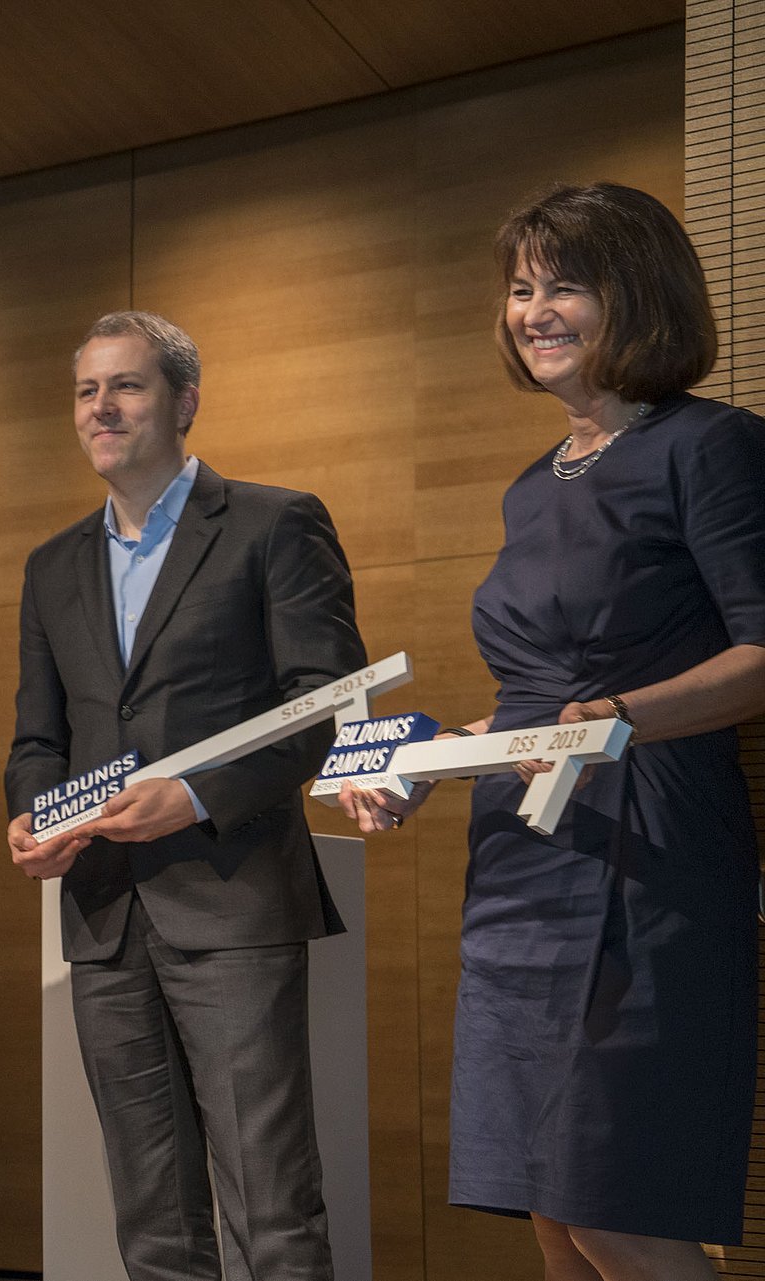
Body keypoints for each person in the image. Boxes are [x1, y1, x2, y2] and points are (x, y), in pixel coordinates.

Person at [340, 182, 765, 1280]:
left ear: (640, 295)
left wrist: (622, 719)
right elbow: (533, 705)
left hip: (650, 849)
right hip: (523, 859)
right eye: (521, 287)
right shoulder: (533, 486)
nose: (533, 309)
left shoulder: (711, 447)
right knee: (547, 1208)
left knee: (614, 1201)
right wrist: (422, 761)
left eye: (564, 283)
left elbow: (761, 655)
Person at [4, 310, 364, 1281]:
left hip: (233, 900)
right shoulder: (52, 565)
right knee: (151, 1222)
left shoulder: (275, 524)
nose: (101, 407)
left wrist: (194, 795)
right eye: (86, 390)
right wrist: (34, 816)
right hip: (105, 915)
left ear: (185, 402)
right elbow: (40, 737)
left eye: (126, 386)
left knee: (272, 1209)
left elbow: (320, 708)